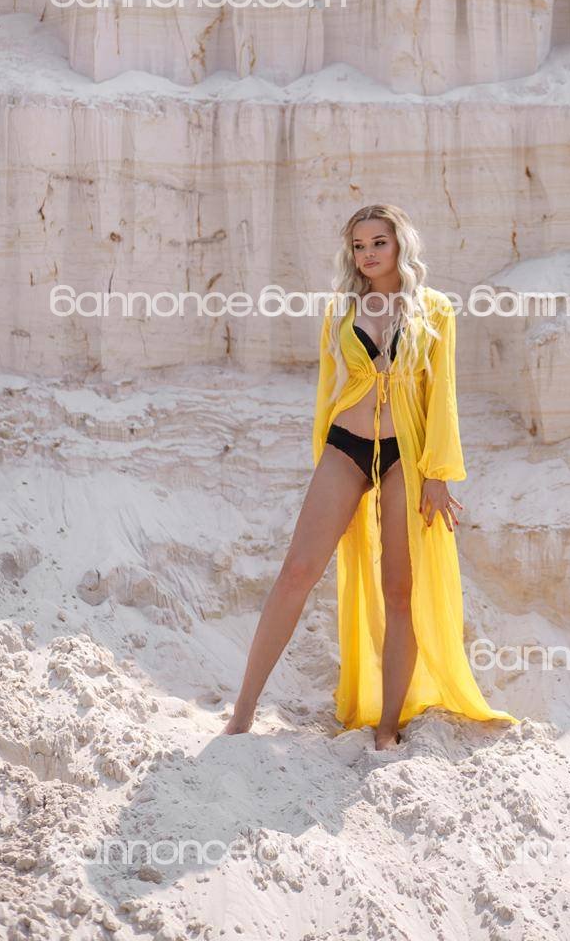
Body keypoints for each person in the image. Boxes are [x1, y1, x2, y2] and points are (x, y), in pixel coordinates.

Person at [224, 203, 518, 749]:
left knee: (399, 590)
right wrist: (323, 452)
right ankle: (241, 714)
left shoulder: (435, 309)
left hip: (406, 452)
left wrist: (438, 474)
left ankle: (386, 727)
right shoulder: (341, 310)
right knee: (297, 572)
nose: (368, 254)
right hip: (347, 446)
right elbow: (328, 389)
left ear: (400, 243)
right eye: (359, 246)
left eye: (378, 242)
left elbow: (443, 395)